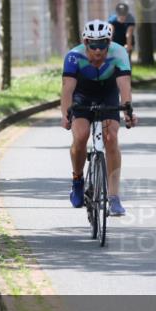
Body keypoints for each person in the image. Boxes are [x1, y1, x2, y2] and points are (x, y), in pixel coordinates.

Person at [61, 19, 137, 216]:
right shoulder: (73, 56)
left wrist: (128, 111)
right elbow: (67, 89)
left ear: (109, 41)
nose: (98, 49)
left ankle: (113, 198)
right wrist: (66, 114)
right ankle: (77, 180)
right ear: (85, 42)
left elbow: (124, 85)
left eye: (103, 43)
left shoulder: (119, 53)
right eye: (93, 44)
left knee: (111, 137)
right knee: (81, 135)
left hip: (107, 94)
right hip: (82, 94)